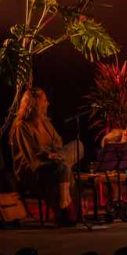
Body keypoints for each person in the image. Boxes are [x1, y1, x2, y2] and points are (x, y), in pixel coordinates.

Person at [9, 87, 84, 226]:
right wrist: (49, 154)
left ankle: (62, 168)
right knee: (64, 168)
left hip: (55, 160)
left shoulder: (45, 122)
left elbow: (58, 140)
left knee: (78, 145)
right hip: (35, 167)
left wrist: (56, 154)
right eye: (44, 100)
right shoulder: (21, 126)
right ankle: (65, 207)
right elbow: (32, 153)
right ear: (35, 103)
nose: (47, 103)